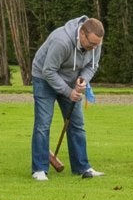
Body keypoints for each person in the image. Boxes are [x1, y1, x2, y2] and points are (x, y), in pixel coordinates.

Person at [29, 15, 106, 181]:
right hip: (44, 77)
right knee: (43, 123)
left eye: (97, 44)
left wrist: (83, 80)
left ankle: (82, 167)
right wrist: (68, 91)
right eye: (91, 44)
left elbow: (92, 65)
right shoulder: (61, 41)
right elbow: (48, 71)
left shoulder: (95, 43)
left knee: (77, 123)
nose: (94, 48)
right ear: (82, 34)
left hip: (71, 79)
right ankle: (39, 169)